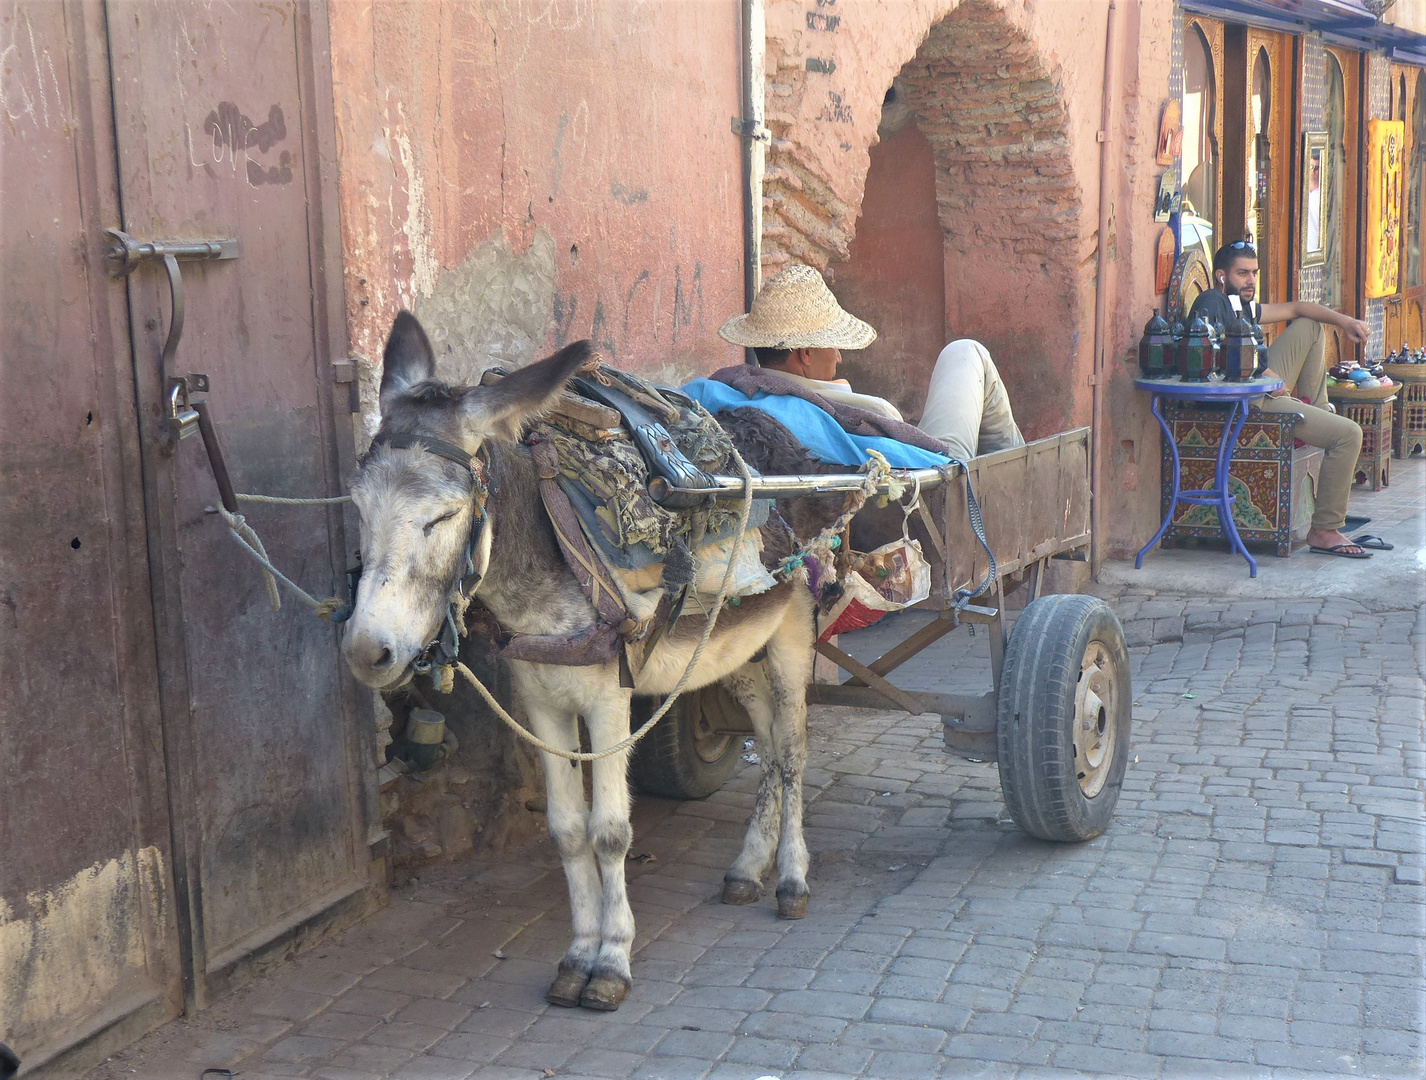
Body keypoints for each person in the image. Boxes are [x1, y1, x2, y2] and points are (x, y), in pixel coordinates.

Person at [715, 264, 1024, 463]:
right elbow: (925, 454)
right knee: (966, 352)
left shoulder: (728, 391)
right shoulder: (865, 414)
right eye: (833, 346)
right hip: (939, 474)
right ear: (806, 354)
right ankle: (1014, 477)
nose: (839, 356)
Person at [1188, 240, 1372, 558]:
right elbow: (1213, 357)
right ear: (1221, 275)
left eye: (1254, 273)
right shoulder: (1212, 302)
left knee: (1311, 325)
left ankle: (1317, 411)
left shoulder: (1239, 306)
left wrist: (1345, 322)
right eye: (1242, 273)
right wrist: (1263, 375)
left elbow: (1298, 308)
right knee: (1348, 434)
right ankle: (1325, 530)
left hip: (1260, 386)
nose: (1250, 281)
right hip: (1245, 400)